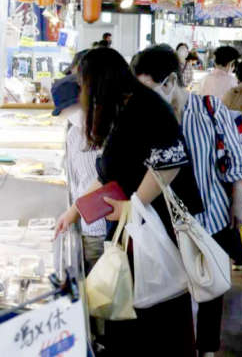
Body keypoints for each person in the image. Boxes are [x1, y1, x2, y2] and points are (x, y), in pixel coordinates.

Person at [54, 47, 204, 357]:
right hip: (132, 229)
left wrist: (134, 205)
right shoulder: (121, 107)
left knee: (156, 309)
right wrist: (73, 212)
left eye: (82, 82)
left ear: (99, 80)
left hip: (153, 228)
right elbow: (107, 174)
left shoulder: (145, 106)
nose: (81, 91)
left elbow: (170, 164)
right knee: (131, 308)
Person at [133, 45, 242, 357]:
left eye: (149, 88)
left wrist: (238, 204)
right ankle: (182, 344)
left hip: (211, 213)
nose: (146, 96)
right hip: (166, 218)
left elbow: (236, 159)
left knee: (211, 282)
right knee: (175, 287)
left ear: (170, 81)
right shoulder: (147, 118)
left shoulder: (210, 108)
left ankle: (208, 348)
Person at [51, 75, 106, 274]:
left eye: (70, 109)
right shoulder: (74, 134)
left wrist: (73, 212)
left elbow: (98, 181)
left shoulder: (103, 131)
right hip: (87, 225)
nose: (69, 115)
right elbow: (77, 181)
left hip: (102, 227)